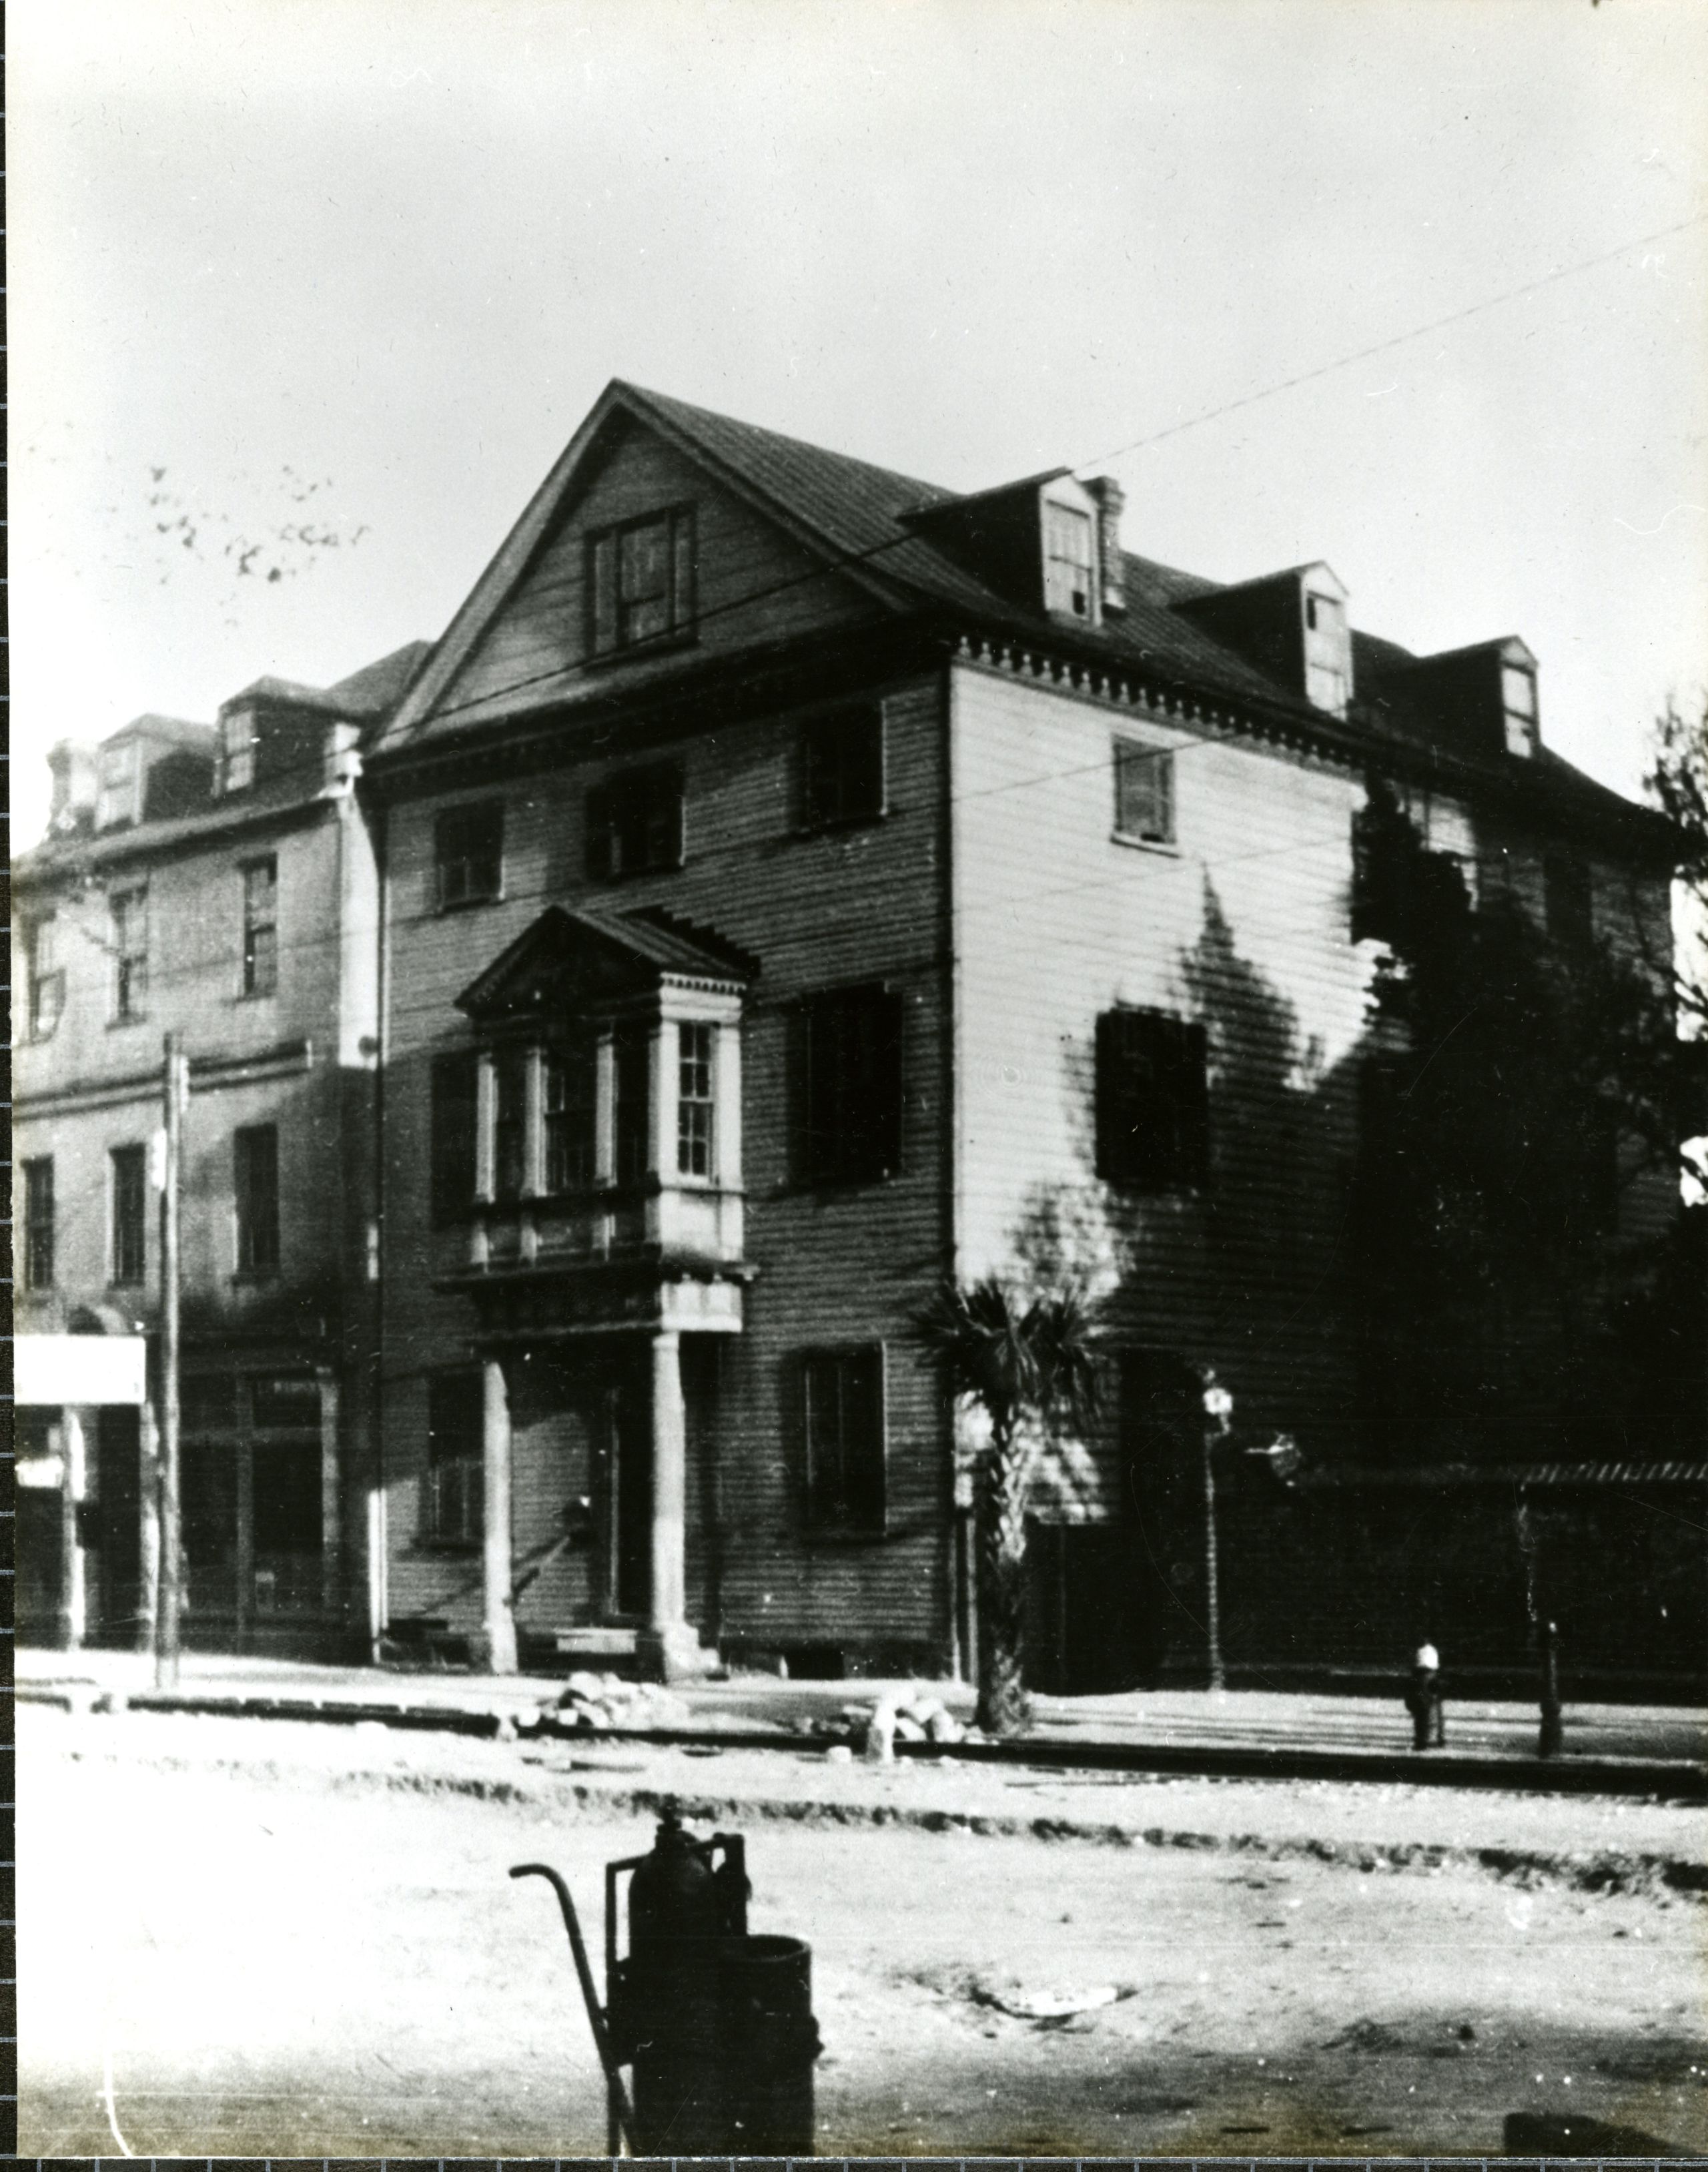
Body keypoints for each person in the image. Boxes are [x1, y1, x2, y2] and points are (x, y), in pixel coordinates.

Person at [1405, 1639, 1445, 1749]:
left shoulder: (1419, 1652)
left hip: (1421, 1679)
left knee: (1422, 1711)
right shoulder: (1432, 1651)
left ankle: (1423, 1739)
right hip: (1432, 1676)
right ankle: (1436, 1738)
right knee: (1434, 1709)